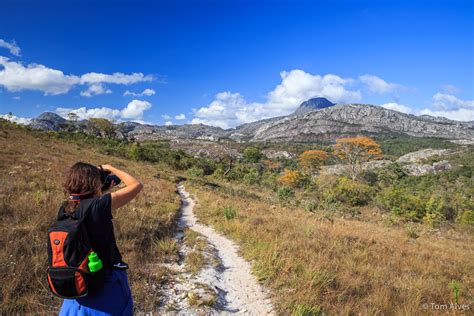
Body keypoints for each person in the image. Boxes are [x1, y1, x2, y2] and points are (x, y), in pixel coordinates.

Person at [59, 162, 143, 316]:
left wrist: (100, 192)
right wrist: (110, 167)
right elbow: (136, 184)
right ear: (94, 182)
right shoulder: (98, 206)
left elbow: (87, 206)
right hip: (105, 285)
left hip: (76, 287)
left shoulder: (65, 208)